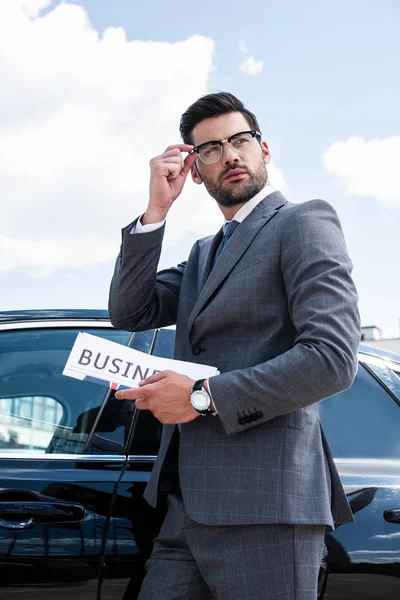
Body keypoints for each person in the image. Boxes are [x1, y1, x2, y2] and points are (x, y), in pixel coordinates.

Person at [108, 92, 361, 600]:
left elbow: (332, 359)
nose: (230, 155)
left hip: (266, 507)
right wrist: (157, 210)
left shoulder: (304, 222)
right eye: (211, 149)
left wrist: (201, 397)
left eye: (240, 140)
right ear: (195, 170)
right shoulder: (205, 254)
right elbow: (129, 312)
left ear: (264, 150)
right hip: (185, 510)